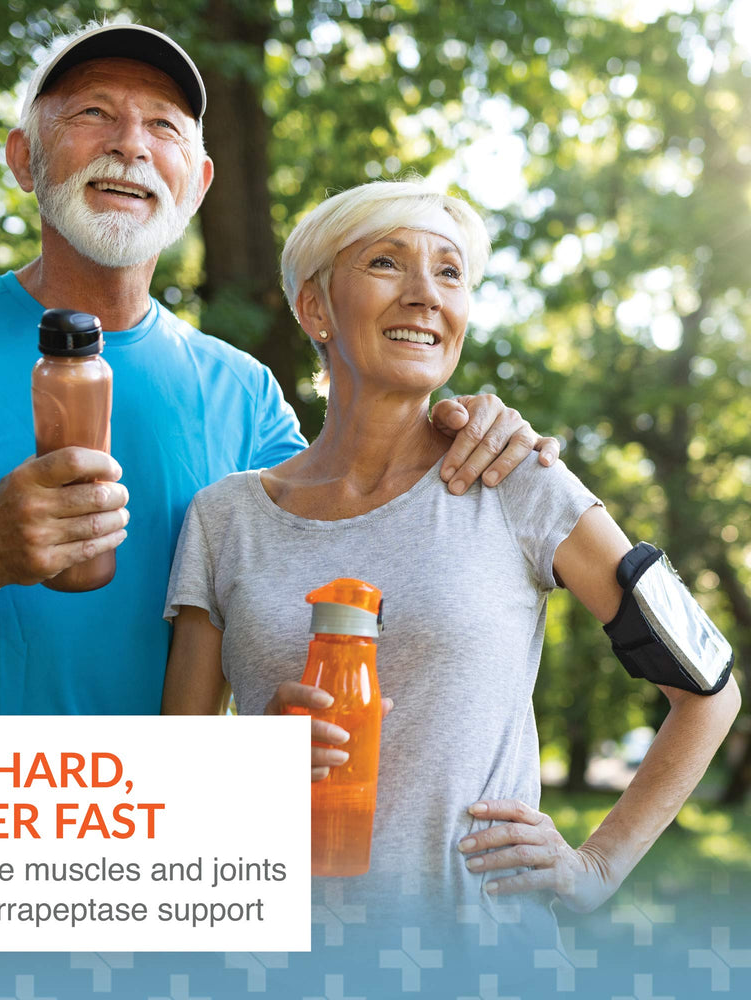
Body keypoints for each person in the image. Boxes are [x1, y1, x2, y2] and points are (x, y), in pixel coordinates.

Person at [0, 23, 557, 715]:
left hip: (183, 854)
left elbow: (346, 581)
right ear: (23, 159)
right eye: (92, 113)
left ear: (198, 182)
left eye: (166, 127)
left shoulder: (245, 393)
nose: (131, 144)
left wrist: (464, 428)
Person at [161, 180, 740, 961]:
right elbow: (175, 780)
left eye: (450, 273)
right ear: (315, 309)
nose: (424, 294)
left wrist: (597, 866)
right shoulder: (225, 518)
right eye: (385, 262)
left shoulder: (522, 481)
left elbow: (707, 692)